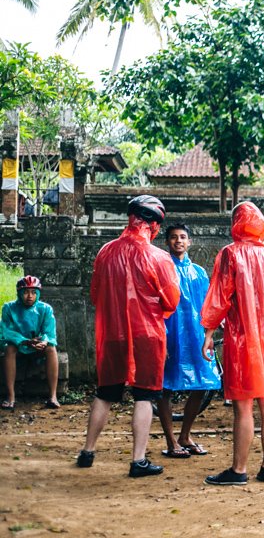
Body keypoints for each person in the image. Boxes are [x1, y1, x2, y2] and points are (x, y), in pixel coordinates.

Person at [77, 195, 181, 478]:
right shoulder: (158, 258)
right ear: (155, 224)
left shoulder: (105, 251)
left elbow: (95, 294)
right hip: (147, 334)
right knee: (144, 396)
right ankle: (138, 460)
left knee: (105, 392)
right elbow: (172, 301)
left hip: (112, 333)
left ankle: (87, 452)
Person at [201, 202, 264, 486]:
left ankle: (239, 470)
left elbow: (219, 297)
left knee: (243, 406)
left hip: (243, 337)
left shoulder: (230, 253)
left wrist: (208, 334)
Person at [156, 223, 221, 459]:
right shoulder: (162, 270)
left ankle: (185, 435)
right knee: (165, 386)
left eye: (183, 237)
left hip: (196, 335)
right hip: (170, 334)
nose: (178, 241)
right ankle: (171, 440)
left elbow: (208, 305)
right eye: (173, 237)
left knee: (203, 383)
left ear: (189, 241)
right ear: (167, 242)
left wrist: (210, 333)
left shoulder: (199, 272)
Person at [1, 276, 59, 409]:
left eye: (34, 292)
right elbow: (6, 331)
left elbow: (49, 332)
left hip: (38, 345)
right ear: (19, 293)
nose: (30, 296)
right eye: (26, 292)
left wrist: (44, 341)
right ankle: (11, 396)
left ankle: (53, 396)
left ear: (38, 293)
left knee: (51, 349)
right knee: (9, 349)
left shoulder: (45, 309)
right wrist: (24, 341)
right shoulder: (9, 308)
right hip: (19, 345)